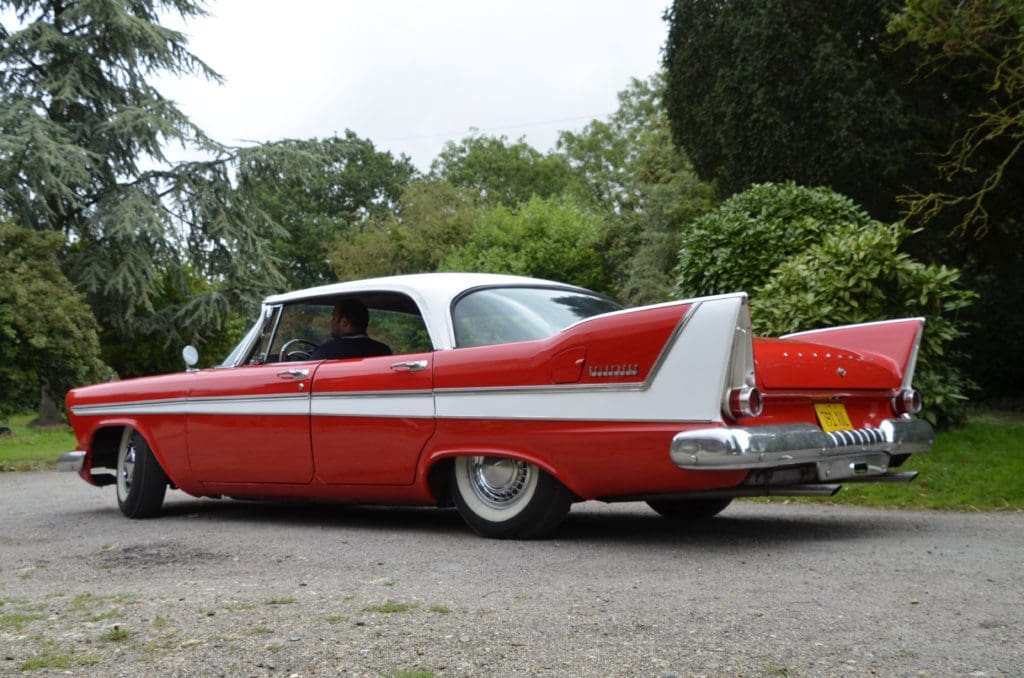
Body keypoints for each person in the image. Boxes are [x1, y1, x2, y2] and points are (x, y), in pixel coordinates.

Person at [309, 299, 392, 360]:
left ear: (344, 322)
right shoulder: (383, 351)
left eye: (333, 317)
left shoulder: (326, 351)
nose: (331, 321)